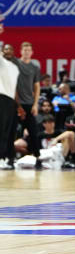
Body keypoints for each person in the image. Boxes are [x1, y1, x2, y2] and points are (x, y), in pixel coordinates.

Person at [10, 42, 42, 157]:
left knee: (33, 132)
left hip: (29, 104)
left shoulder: (35, 68)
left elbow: (37, 86)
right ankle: (9, 158)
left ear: (32, 52)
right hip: (15, 104)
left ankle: (37, 156)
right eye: (24, 50)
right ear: (20, 51)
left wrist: (35, 104)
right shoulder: (15, 63)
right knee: (11, 131)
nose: (27, 52)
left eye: (29, 50)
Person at [0, 18, 19, 170]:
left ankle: (5, 157)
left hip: (8, 100)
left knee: (6, 130)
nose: (6, 52)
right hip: (1, 97)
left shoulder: (14, 67)